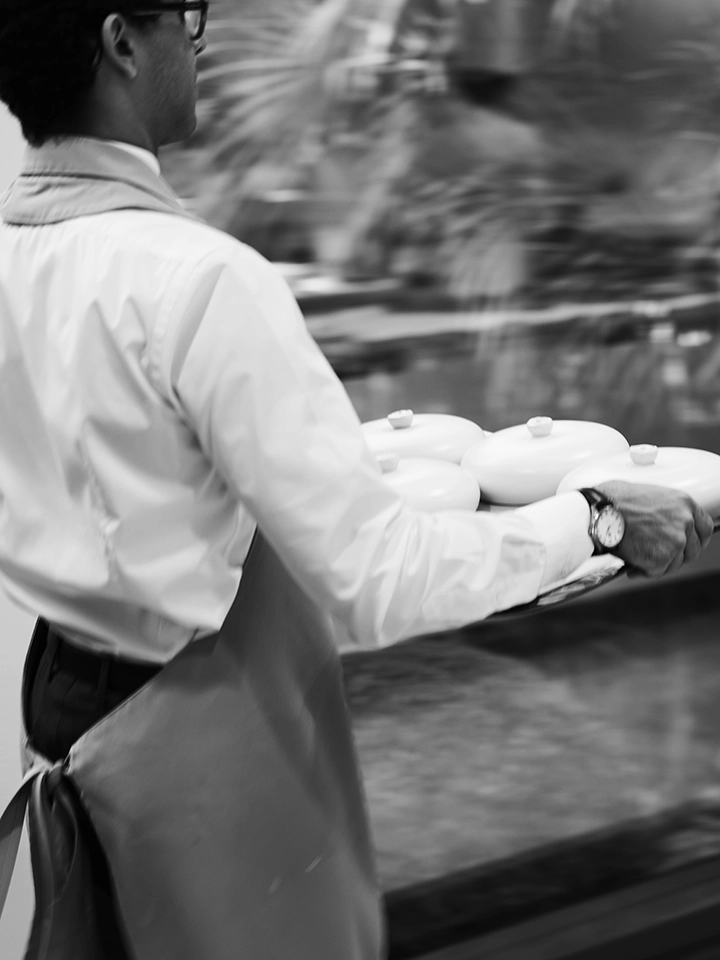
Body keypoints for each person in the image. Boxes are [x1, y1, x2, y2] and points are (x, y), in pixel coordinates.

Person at [0, 1, 713, 958]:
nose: (199, 44)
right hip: (198, 751)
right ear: (122, 40)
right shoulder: (199, 280)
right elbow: (380, 579)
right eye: (187, 17)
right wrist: (596, 524)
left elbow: (123, 481)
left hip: (60, 715)